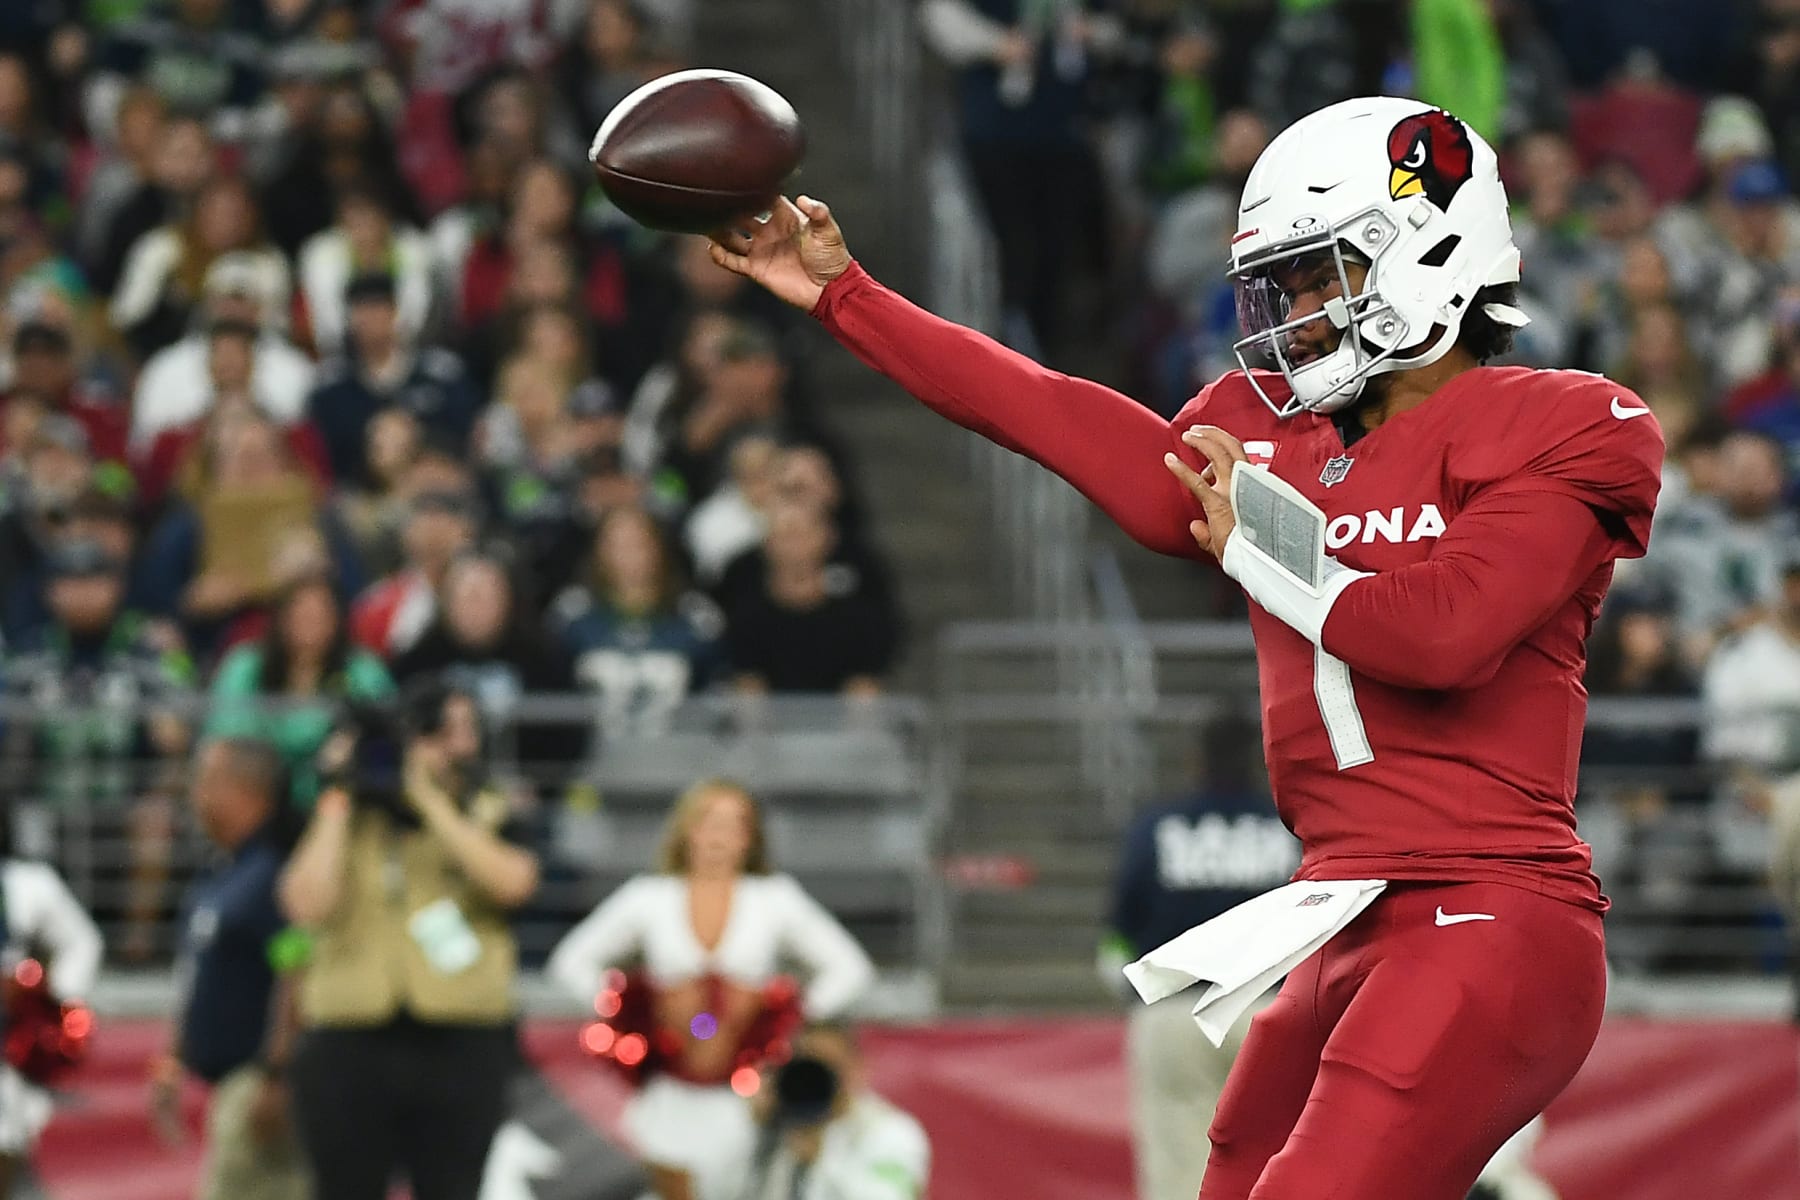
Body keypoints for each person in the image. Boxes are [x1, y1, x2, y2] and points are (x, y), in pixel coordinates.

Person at [708, 96, 1663, 1198]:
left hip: (1492, 910)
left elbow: (1445, 635)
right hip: (1342, 916)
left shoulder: (1572, 423)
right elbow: (1047, 411)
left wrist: (1262, 538)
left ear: (1428, 253)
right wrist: (844, 296)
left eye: (1321, 275)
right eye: (1287, 283)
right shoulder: (1268, 434)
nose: (1295, 313)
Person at [546, 779, 874, 1200]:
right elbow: (570, 962)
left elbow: (850, 969)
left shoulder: (774, 899)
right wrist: (635, 1012)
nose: (720, 837)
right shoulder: (650, 897)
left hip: (742, 1097)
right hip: (667, 1094)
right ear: (687, 830)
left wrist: (781, 1018)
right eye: (710, 822)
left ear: (750, 838)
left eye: (735, 825)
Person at [277, 677, 538, 1200]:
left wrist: (428, 798)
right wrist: (337, 792)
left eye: (464, 731)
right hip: (349, 1039)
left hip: (461, 1038)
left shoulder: (490, 808)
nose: (455, 745)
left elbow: (513, 884)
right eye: (438, 731)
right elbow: (305, 905)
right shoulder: (341, 817)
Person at [1100, 712, 1299, 1200]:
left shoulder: (1158, 827)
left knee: (1178, 1172)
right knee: (1281, 1160)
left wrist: (1126, 987)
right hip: (1271, 1009)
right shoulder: (1291, 827)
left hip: (1176, 1010)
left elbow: (1117, 934)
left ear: (1195, 760)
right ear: (1260, 760)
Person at [150, 737, 310, 1200]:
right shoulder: (225, 870)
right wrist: (171, 1061)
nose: (194, 793)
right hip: (231, 1085)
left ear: (246, 790)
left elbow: (296, 968)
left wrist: (278, 1073)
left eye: (206, 780)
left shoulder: (276, 873)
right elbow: (200, 974)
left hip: (257, 1079)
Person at [0, 822, 104, 1197]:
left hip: (11, 1044)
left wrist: (49, 998)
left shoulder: (27, 884)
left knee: (9, 1143)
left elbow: (82, 942)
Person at [738, 1023, 929, 1200]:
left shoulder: (891, 1131)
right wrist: (758, 1131)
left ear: (857, 1068)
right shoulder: (775, 1123)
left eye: (830, 1066)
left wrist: (821, 1161)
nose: (817, 1078)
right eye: (809, 1066)